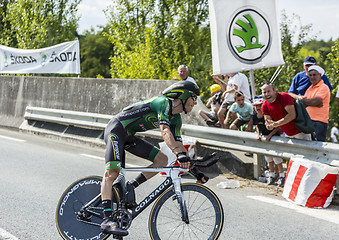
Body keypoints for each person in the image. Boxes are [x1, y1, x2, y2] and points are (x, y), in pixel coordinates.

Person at [100, 81, 206, 236]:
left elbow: (179, 146)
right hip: (116, 130)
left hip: (129, 136)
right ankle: (107, 220)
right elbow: (165, 131)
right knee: (112, 173)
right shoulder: (163, 103)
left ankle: (130, 186)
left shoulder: (176, 119)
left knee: (162, 161)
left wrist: (194, 169)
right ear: (183, 96)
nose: (196, 102)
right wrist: (178, 153)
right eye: (194, 97)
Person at [251, 96, 285, 187]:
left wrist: (270, 135)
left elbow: (277, 126)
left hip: (274, 137)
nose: (258, 108)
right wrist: (259, 134)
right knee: (268, 157)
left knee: (276, 158)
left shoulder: (268, 115)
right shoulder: (255, 116)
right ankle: (272, 174)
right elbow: (257, 125)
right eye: (256, 106)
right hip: (266, 138)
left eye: (260, 105)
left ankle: (282, 175)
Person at [294, 65, 330, 142]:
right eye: (310, 75)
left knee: (317, 147)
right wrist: (311, 103)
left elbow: (315, 101)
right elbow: (306, 103)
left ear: (320, 75)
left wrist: (309, 102)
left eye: (314, 75)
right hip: (308, 121)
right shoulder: (309, 88)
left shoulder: (324, 87)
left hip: (318, 122)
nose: (312, 77)